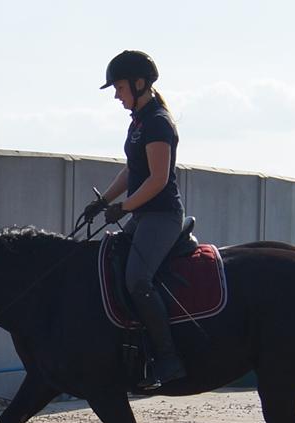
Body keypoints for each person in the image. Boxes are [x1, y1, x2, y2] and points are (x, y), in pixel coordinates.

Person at [83, 50, 187, 386]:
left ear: (139, 84)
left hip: (161, 215)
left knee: (137, 281)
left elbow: (157, 179)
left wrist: (123, 208)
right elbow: (133, 170)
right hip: (142, 213)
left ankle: (168, 360)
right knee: (109, 268)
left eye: (119, 87)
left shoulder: (158, 122)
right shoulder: (139, 123)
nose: (116, 95)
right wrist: (104, 202)